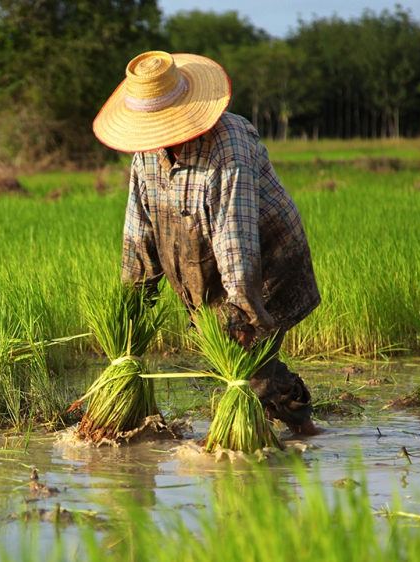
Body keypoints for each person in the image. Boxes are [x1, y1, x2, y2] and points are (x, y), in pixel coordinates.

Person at [92, 51, 321, 436]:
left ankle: (296, 435)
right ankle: (290, 427)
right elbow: (138, 233)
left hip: (265, 262)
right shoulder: (146, 156)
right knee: (239, 361)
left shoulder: (228, 144)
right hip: (203, 269)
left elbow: (236, 238)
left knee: (251, 365)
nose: (158, 135)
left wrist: (243, 312)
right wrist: (130, 310)